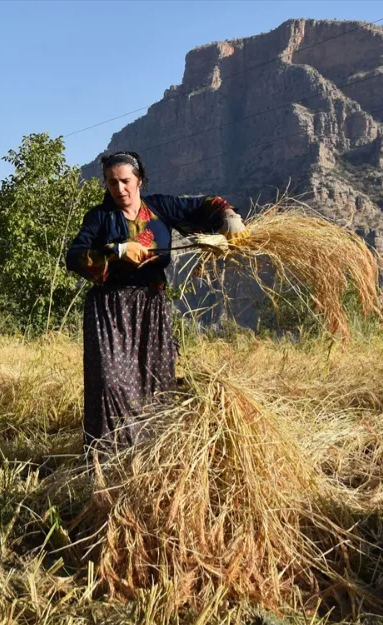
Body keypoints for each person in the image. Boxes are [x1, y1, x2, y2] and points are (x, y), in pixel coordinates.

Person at [65, 151, 249, 452]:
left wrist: (229, 217)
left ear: (140, 180)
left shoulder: (161, 208)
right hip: (110, 309)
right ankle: (110, 457)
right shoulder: (100, 218)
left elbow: (207, 205)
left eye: (125, 181)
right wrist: (116, 250)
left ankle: (153, 452)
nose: (119, 189)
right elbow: (74, 257)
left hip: (151, 306)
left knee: (155, 381)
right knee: (113, 384)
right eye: (112, 183)